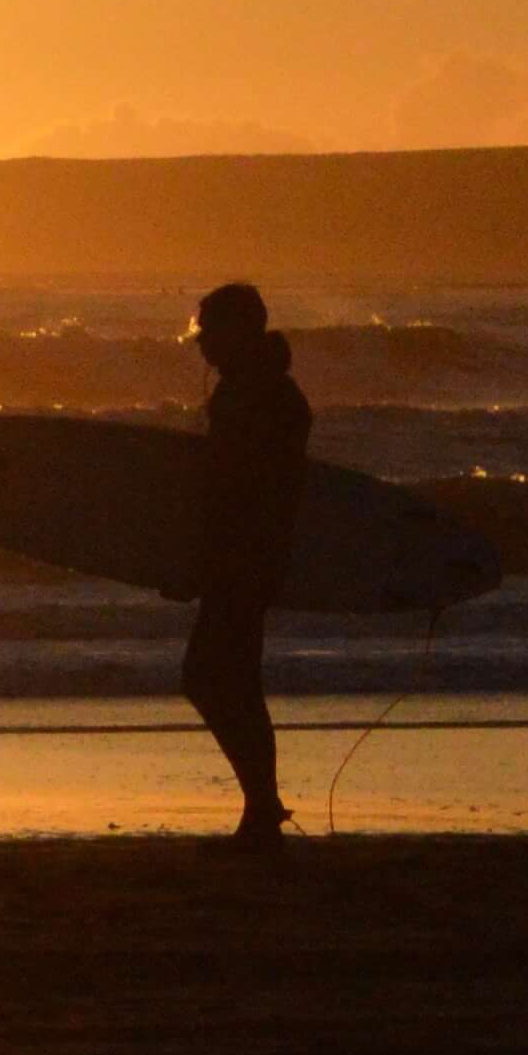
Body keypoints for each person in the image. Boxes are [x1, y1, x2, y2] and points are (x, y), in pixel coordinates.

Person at [184, 279, 311, 840]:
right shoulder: (270, 391)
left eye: (209, 331)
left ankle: (262, 806)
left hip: (243, 558)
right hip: (254, 556)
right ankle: (261, 806)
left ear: (237, 332)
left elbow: (234, 490)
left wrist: (197, 561)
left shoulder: (253, 397)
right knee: (229, 679)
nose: (201, 344)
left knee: (213, 677)